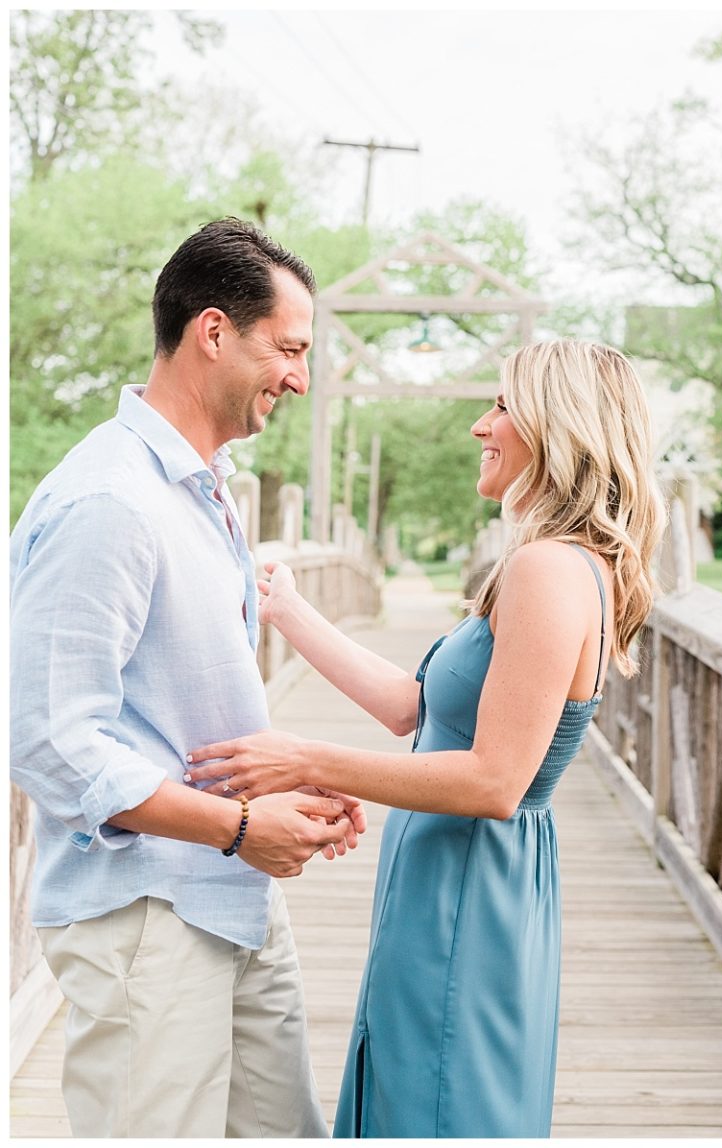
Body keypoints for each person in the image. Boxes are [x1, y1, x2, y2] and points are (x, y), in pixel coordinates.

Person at [185, 339, 667, 1137]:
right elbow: (416, 709)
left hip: (468, 890)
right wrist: (291, 613)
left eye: (503, 406)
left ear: (560, 426)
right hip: (453, 881)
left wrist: (303, 758)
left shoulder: (548, 569)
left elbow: (494, 782)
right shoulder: (555, 562)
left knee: (438, 1105)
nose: (481, 426)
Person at [9, 218, 364, 1138]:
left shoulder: (202, 488)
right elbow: (49, 742)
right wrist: (239, 827)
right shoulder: (110, 501)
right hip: (147, 916)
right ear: (214, 332)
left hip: (230, 897)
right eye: (289, 348)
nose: (299, 378)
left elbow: (174, 706)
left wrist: (281, 788)